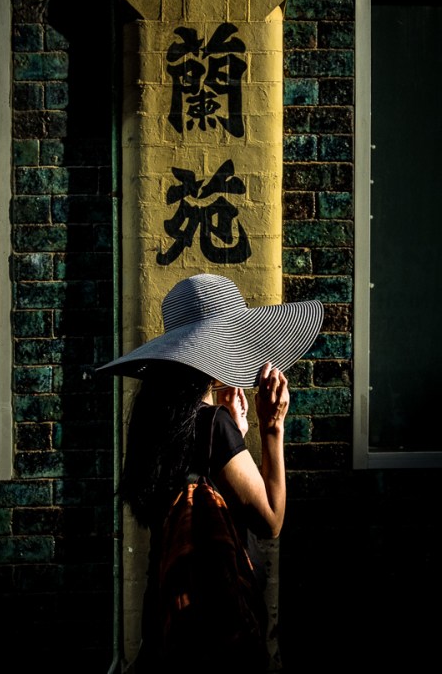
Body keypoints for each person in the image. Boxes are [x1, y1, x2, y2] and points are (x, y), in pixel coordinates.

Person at [96, 273, 324, 673]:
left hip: (169, 623)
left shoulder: (156, 422)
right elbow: (270, 520)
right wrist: (272, 427)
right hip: (217, 630)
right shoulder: (212, 425)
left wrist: (233, 434)